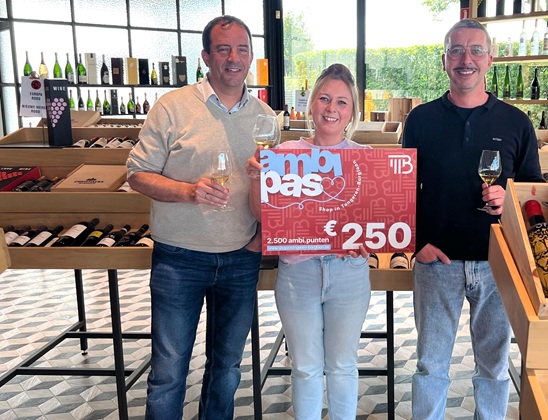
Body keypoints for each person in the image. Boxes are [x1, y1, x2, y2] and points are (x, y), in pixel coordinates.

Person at [126, 15, 276, 419]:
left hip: (240, 258)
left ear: (251, 56)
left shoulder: (265, 116)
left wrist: (260, 237)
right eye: (223, 49)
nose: (233, 58)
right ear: (206, 56)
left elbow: (273, 188)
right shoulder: (172, 107)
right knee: (168, 371)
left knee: (227, 368)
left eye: (242, 49)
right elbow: (137, 174)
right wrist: (189, 191)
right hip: (179, 258)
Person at [401, 19, 543, 419]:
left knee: (494, 367)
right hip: (437, 262)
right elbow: (403, 189)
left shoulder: (516, 122)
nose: (467, 59)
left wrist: (509, 200)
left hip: (499, 262)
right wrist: (417, 244)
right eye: (457, 50)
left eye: (476, 50)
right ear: (444, 59)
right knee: (430, 366)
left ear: (490, 59)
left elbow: (534, 193)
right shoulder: (420, 120)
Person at [247, 63, 371, 419]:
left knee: (343, 365)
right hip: (297, 274)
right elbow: (263, 215)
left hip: (349, 272)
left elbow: (376, 223)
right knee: (304, 367)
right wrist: (256, 179)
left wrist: (369, 238)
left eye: (342, 102)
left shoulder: (364, 158)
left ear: (352, 112)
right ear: (311, 104)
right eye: (324, 98)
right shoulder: (285, 154)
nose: (332, 108)